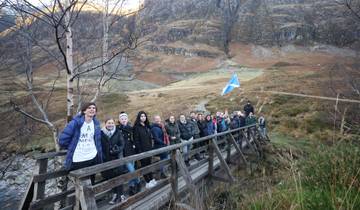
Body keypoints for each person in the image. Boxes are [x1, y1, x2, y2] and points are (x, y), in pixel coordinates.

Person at [59, 102, 103, 184]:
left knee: (92, 182)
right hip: (79, 158)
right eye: (89, 108)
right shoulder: (75, 123)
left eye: (94, 108)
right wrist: (72, 147)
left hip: (93, 157)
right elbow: (63, 140)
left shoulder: (96, 123)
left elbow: (97, 140)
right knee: (81, 185)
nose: (92, 109)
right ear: (84, 111)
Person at [100, 118, 126, 205]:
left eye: (112, 123)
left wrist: (117, 150)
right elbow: (99, 146)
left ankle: (121, 194)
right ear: (105, 124)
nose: (110, 124)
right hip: (106, 159)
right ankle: (115, 194)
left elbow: (122, 144)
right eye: (108, 123)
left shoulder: (118, 132)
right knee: (110, 177)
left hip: (117, 157)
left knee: (119, 176)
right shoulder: (101, 133)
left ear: (114, 124)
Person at [118, 112, 141, 196]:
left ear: (127, 119)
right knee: (131, 170)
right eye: (122, 119)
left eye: (125, 118)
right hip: (123, 152)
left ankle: (132, 186)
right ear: (119, 120)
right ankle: (138, 182)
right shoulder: (118, 129)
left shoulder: (131, 128)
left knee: (130, 170)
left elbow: (135, 138)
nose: (123, 120)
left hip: (131, 150)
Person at [133, 111, 157, 189]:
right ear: (139, 117)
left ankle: (151, 179)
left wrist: (151, 147)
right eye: (141, 116)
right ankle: (147, 181)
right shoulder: (136, 127)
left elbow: (150, 138)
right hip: (142, 151)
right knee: (144, 166)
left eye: (144, 116)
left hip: (148, 149)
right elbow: (136, 140)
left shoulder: (146, 126)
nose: (143, 118)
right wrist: (140, 151)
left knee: (149, 164)